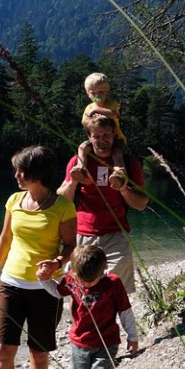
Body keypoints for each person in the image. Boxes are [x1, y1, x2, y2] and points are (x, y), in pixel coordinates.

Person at [0, 145, 77, 369]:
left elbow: (71, 246)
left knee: (38, 353)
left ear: (35, 174)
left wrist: (58, 263)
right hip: (11, 283)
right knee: (3, 350)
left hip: (45, 289)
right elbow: (5, 238)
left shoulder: (63, 207)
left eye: (20, 171)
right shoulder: (14, 201)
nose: (16, 175)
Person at [53, 245, 137, 369]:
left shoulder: (113, 283)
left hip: (106, 343)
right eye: (84, 280)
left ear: (103, 269)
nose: (87, 284)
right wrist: (43, 278)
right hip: (79, 342)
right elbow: (56, 292)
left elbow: (125, 311)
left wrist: (132, 336)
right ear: (74, 272)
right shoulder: (72, 279)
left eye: (92, 280)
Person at [60, 112, 149, 292]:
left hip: (116, 233)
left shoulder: (129, 164)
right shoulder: (77, 163)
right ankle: (83, 319)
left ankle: (108, 319)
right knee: (79, 287)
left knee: (115, 287)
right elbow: (62, 200)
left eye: (106, 135)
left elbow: (141, 204)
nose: (102, 140)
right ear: (89, 137)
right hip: (83, 233)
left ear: (114, 135)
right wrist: (73, 181)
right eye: (97, 136)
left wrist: (123, 189)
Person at [76, 73, 127, 176]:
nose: (97, 95)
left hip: (116, 137)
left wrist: (96, 110)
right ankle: (81, 168)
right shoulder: (88, 108)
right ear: (88, 94)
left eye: (101, 92)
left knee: (116, 153)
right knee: (82, 148)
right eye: (93, 93)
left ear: (107, 92)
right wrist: (91, 119)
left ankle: (119, 172)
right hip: (96, 137)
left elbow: (113, 114)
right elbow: (84, 123)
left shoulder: (112, 104)